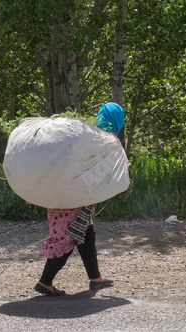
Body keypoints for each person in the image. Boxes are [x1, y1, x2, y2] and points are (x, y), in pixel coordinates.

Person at [34, 102, 125, 296]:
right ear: (118, 119)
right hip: (74, 199)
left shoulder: (85, 132)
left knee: (86, 235)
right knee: (67, 238)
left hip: (60, 191)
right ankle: (45, 282)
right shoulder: (106, 140)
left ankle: (95, 278)